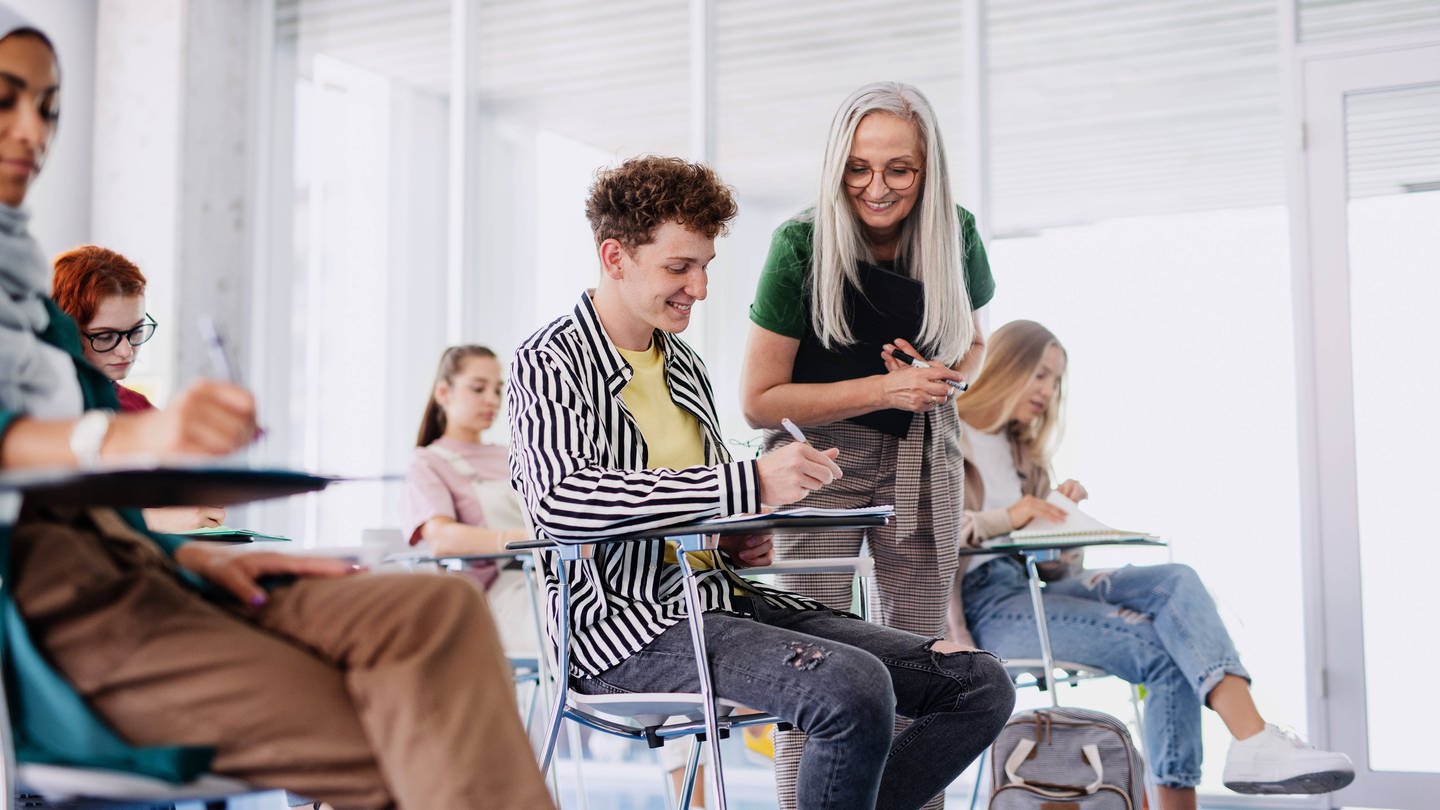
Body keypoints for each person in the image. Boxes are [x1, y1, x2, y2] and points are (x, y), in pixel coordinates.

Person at [0, 10, 552, 808]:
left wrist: (197, 556)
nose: (31, 131)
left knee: (436, 611)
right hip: (62, 618)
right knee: (419, 731)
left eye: (48, 108)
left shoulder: (34, 307)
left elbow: (105, 509)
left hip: (143, 571)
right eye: (5, 99)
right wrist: (130, 433)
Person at [508, 155, 1014, 810]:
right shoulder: (550, 361)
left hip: (719, 601)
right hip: (623, 632)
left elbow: (709, 501)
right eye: (679, 267)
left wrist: (739, 535)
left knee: (977, 684)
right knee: (852, 688)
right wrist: (743, 487)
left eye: (706, 266)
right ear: (615, 257)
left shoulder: (682, 364)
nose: (701, 287)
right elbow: (563, 502)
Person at [949, 319, 1355, 809]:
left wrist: (1061, 521)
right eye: (1040, 374)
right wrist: (1010, 516)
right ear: (1007, 367)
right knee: (1162, 649)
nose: (1048, 391)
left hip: (1036, 589)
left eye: (1056, 380)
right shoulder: (949, 432)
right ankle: (1215, 776)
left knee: (1175, 583)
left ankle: (1253, 743)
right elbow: (927, 534)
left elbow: (1053, 569)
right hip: (987, 609)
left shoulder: (1024, 454)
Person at [739, 81, 995, 805]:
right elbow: (759, 398)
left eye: (899, 169)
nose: (876, 188)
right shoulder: (800, 243)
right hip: (819, 462)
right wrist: (885, 391)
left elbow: (977, 341)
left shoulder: (957, 231)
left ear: (928, 169)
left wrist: (946, 379)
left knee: (926, 672)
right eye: (858, 167)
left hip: (924, 454)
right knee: (811, 673)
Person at [50, 244, 225, 532]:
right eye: (105, 336)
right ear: (65, 332)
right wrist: (152, 521)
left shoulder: (140, 409)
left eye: (136, 331)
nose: (126, 351)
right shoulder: (34, 412)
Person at [407, 343, 537, 654]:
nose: (492, 400)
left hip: (542, 585)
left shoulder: (513, 456)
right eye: (478, 389)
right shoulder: (428, 462)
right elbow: (442, 539)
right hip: (489, 605)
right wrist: (526, 539)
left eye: (498, 389)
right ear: (443, 394)